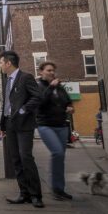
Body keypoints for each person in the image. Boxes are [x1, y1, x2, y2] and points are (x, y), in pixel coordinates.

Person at [0, 50, 44, 208]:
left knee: (26, 158)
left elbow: (37, 97)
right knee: (16, 160)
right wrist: (2, 125)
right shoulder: (7, 81)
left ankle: (36, 195)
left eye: (0, 62)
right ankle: (24, 194)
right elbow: (7, 105)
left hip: (24, 125)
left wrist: (24, 110)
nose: (0, 66)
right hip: (10, 125)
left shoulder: (25, 77)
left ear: (8, 63)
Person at [36, 61, 74, 201]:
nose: (52, 73)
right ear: (41, 72)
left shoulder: (60, 87)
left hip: (61, 125)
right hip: (45, 125)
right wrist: (51, 88)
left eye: (53, 70)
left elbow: (68, 102)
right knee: (57, 152)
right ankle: (56, 188)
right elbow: (40, 103)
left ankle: (59, 189)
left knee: (60, 157)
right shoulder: (38, 86)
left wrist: (70, 107)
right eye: (48, 70)